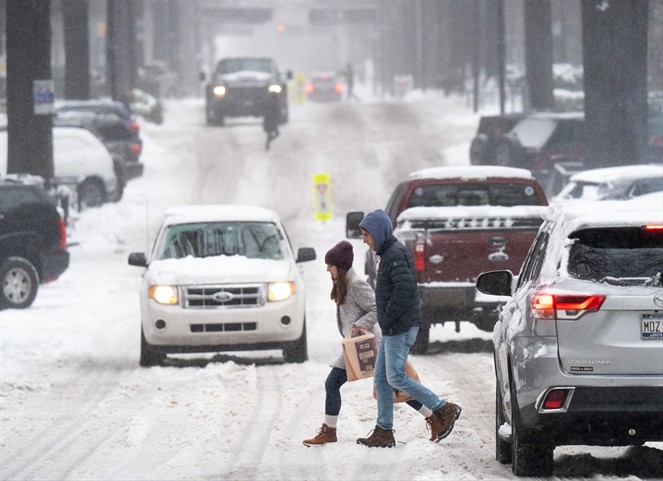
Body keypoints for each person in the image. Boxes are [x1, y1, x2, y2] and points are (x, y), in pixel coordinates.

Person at [303, 240, 436, 447]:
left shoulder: (356, 284)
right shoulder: (344, 284)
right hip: (355, 345)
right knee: (392, 385)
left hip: (367, 345)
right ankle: (432, 416)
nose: (327, 269)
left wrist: (357, 326)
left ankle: (329, 431)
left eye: (330, 265)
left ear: (340, 265)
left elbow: (376, 308)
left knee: (384, 384)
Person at [355, 209, 462, 448]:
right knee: (382, 379)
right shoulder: (387, 253)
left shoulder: (394, 255)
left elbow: (404, 291)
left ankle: (443, 408)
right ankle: (384, 430)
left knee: (395, 376)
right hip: (394, 325)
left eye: (366, 235)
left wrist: (388, 319)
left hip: (399, 326)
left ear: (379, 233)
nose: (364, 240)